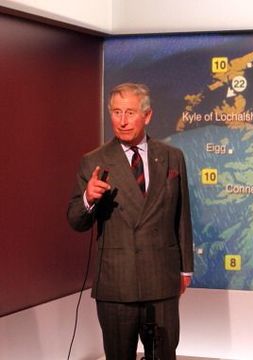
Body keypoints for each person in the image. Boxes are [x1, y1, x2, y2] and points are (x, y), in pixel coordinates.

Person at [67, 82, 193, 360]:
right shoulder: (94, 161)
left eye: (130, 113)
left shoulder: (172, 157)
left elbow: (181, 215)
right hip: (116, 282)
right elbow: (75, 220)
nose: (122, 121)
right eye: (116, 112)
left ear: (147, 116)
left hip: (161, 279)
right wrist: (88, 198)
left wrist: (185, 269)